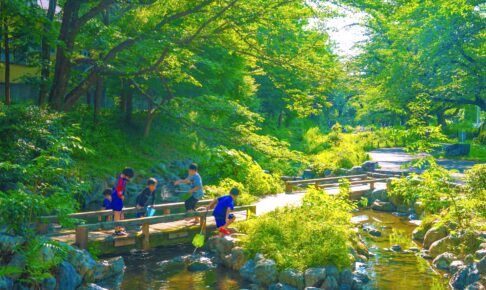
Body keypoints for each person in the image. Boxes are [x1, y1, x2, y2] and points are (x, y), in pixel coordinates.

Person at [112, 167, 134, 236]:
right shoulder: (121, 180)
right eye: (129, 177)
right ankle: (117, 230)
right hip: (117, 199)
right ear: (126, 175)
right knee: (117, 214)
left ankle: (119, 228)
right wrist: (121, 196)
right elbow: (119, 189)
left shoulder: (120, 179)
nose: (129, 179)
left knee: (119, 214)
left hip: (117, 198)